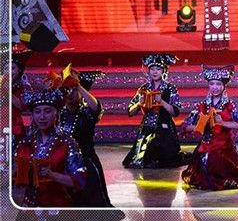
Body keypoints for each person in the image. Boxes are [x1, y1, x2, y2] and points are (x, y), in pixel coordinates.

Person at [13, 89, 86, 207]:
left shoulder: (67, 142)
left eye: (47, 111)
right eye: (37, 112)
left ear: (56, 113)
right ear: (32, 115)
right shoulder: (25, 143)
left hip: (58, 206)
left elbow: (80, 180)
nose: (42, 117)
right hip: (28, 207)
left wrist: (52, 175)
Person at [181, 65, 238, 190]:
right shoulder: (202, 106)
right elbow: (185, 126)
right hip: (205, 145)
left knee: (219, 164)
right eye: (212, 84)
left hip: (223, 147)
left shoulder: (230, 106)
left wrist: (222, 123)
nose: (215, 87)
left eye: (218, 84)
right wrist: (199, 126)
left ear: (224, 86)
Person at [55, 68, 114, 207]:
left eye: (74, 90)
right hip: (64, 163)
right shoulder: (59, 113)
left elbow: (96, 108)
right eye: (67, 89)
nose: (70, 93)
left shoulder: (86, 112)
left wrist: (78, 86)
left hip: (86, 163)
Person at [122, 53, 188, 168]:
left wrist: (161, 102)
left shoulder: (170, 88)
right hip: (147, 126)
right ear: (148, 71)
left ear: (164, 71)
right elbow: (130, 112)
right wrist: (139, 103)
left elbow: (175, 112)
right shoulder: (143, 88)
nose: (155, 72)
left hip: (164, 126)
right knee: (139, 159)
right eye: (152, 69)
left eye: (158, 69)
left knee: (165, 159)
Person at [10, 47, 32, 147]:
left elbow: (22, 106)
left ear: (19, 70)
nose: (9, 72)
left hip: (18, 127)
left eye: (12, 68)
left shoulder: (25, 87)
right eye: (6, 69)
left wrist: (6, 90)